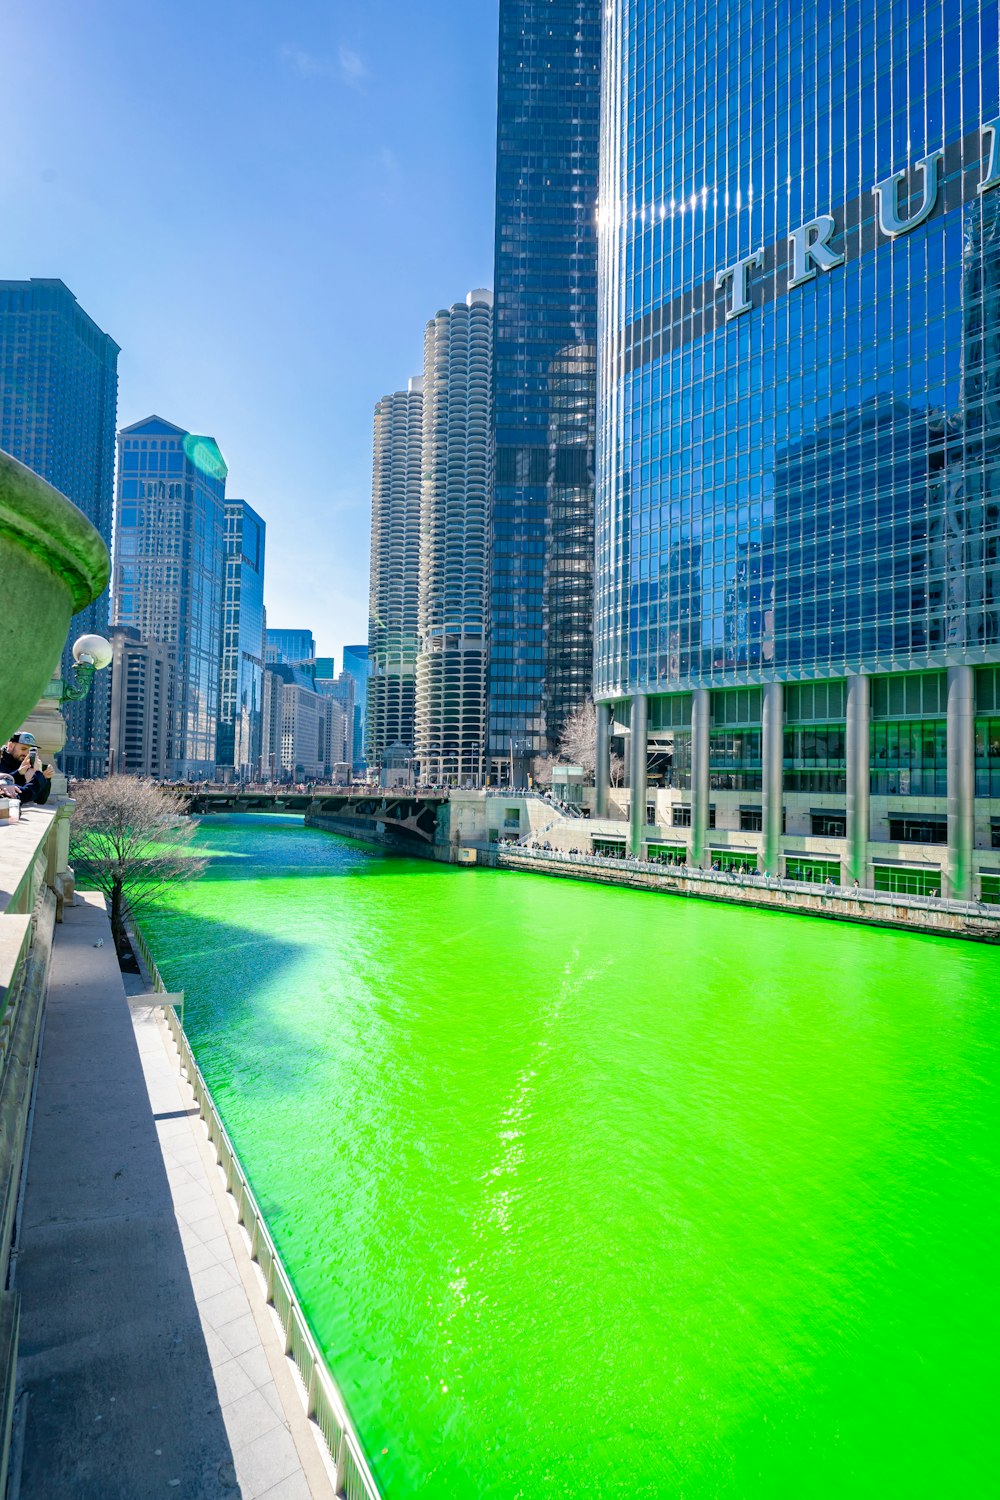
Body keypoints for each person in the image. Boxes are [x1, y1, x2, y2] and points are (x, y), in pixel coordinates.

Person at [0, 732, 54, 806]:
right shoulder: (1, 762)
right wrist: (38, 777)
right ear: (10, 746)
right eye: (23, 749)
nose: (26, 754)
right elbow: (22, 794)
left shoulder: (28, 765)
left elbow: (40, 800)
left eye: (30, 751)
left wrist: (45, 778)